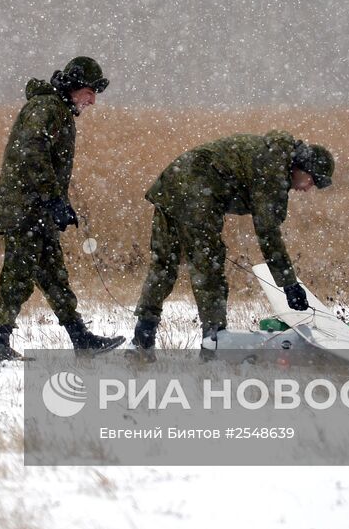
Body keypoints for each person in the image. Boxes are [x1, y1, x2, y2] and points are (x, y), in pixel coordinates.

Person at [126, 131, 335, 359]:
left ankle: (143, 335)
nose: (307, 189)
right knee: (208, 267)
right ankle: (214, 341)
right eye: (312, 181)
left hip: (171, 185)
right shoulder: (275, 170)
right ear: (302, 167)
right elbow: (267, 232)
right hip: (197, 192)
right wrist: (289, 284)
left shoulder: (271, 153)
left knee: (164, 264)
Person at [0, 56, 125, 361]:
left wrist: (56, 203)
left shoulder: (57, 110)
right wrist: (53, 199)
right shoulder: (45, 108)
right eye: (90, 92)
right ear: (74, 87)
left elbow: (43, 162)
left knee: (54, 277)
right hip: (24, 212)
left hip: (37, 212)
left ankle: (81, 339)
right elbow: (33, 154)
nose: (93, 101)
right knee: (17, 278)